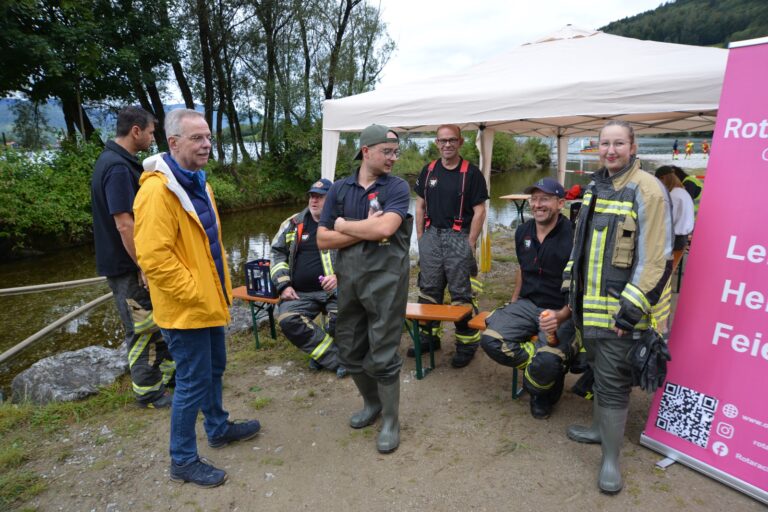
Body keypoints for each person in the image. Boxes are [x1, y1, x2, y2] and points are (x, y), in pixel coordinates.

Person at [540, 120, 672, 494]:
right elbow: (580, 247)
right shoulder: (595, 187)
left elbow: (656, 258)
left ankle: (611, 461)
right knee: (599, 372)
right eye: (604, 144)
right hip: (589, 311)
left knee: (613, 385)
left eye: (618, 144)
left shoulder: (647, 190)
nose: (610, 150)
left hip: (620, 316)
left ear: (633, 147)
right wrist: (571, 296)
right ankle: (598, 429)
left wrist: (630, 311)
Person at [134, 109, 261, 488]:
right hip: (186, 310)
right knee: (191, 382)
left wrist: (214, 294)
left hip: (209, 302)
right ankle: (183, 460)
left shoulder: (199, 183)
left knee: (214, 370)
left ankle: (218, 428)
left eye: (208, 137)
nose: (207, 144)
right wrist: (195, 293)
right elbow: (154, 259)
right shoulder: (157, 192)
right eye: (197, 138)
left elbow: (209, 245)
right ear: (173, 143)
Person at [317, 124, 411, 454]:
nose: (393, 158)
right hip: (350, 281)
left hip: (387, 282)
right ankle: (372, 404)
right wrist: (367, 228)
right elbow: (322, 239)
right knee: (350, 347)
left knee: (383, 351)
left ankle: (390, 421)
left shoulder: (397, 187)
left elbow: (386, 228)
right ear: (366, 151)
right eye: (387, 152)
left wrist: (345, 225)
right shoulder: (340, 189)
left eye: (396, 152)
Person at [91, 106, 174, 409]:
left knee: (155, 321)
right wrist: (144, 264)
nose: (152, 138)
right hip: (128, 265)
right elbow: (125, 224)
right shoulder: (117, 168)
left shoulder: (115, 161)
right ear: (136, 131)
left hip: (127, 262)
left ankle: (166, 377)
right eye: (150, 132)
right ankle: (148, 392)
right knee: (141, 327)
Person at [480, 178, 574, 419]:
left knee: (549, 360)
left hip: (561, 309)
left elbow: (581, 284)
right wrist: (514, 301)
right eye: (534, 199)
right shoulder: (523, 231)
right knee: (491, 340)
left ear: (560, 203)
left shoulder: (574, 235)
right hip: (528, 303)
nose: (537, 204)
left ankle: (539, 392)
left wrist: (564, 314)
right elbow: (522, 269)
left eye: (545, 199)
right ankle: (544, 368)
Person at [412, 124, 489, 368]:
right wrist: (421, 238)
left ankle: (466, 345)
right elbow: (419, 206)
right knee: (428, 290)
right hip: (431, 236)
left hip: (458, 236)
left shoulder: (472, 173)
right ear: (436, 143)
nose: (447, 144)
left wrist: (470, 242)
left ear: (460, 142)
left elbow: (479, 211)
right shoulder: (429, 170)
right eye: (443, 140)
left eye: (452, 140)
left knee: (461, 293)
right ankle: (429, 338)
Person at [270, 178, 346, 378]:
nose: (314, 200)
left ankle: (323, 355)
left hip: (337, 291)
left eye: (320, 197)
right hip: (300, 293)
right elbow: (276, 253)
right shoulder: (294, 223)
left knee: (341, 320)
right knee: (287, 319)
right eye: (312, 196)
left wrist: (339, 276)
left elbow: (359, 255)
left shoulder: (343, 223)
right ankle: (334, 357)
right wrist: (283, 285)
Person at [652, 166, 696, 333]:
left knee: (662, 280)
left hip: (673, 239)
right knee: (667, 278)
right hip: (682, 238)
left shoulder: (674, 196)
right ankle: (662, 319)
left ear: (664, 179)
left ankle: (660, 321)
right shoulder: (683, 193)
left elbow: (667, 221)